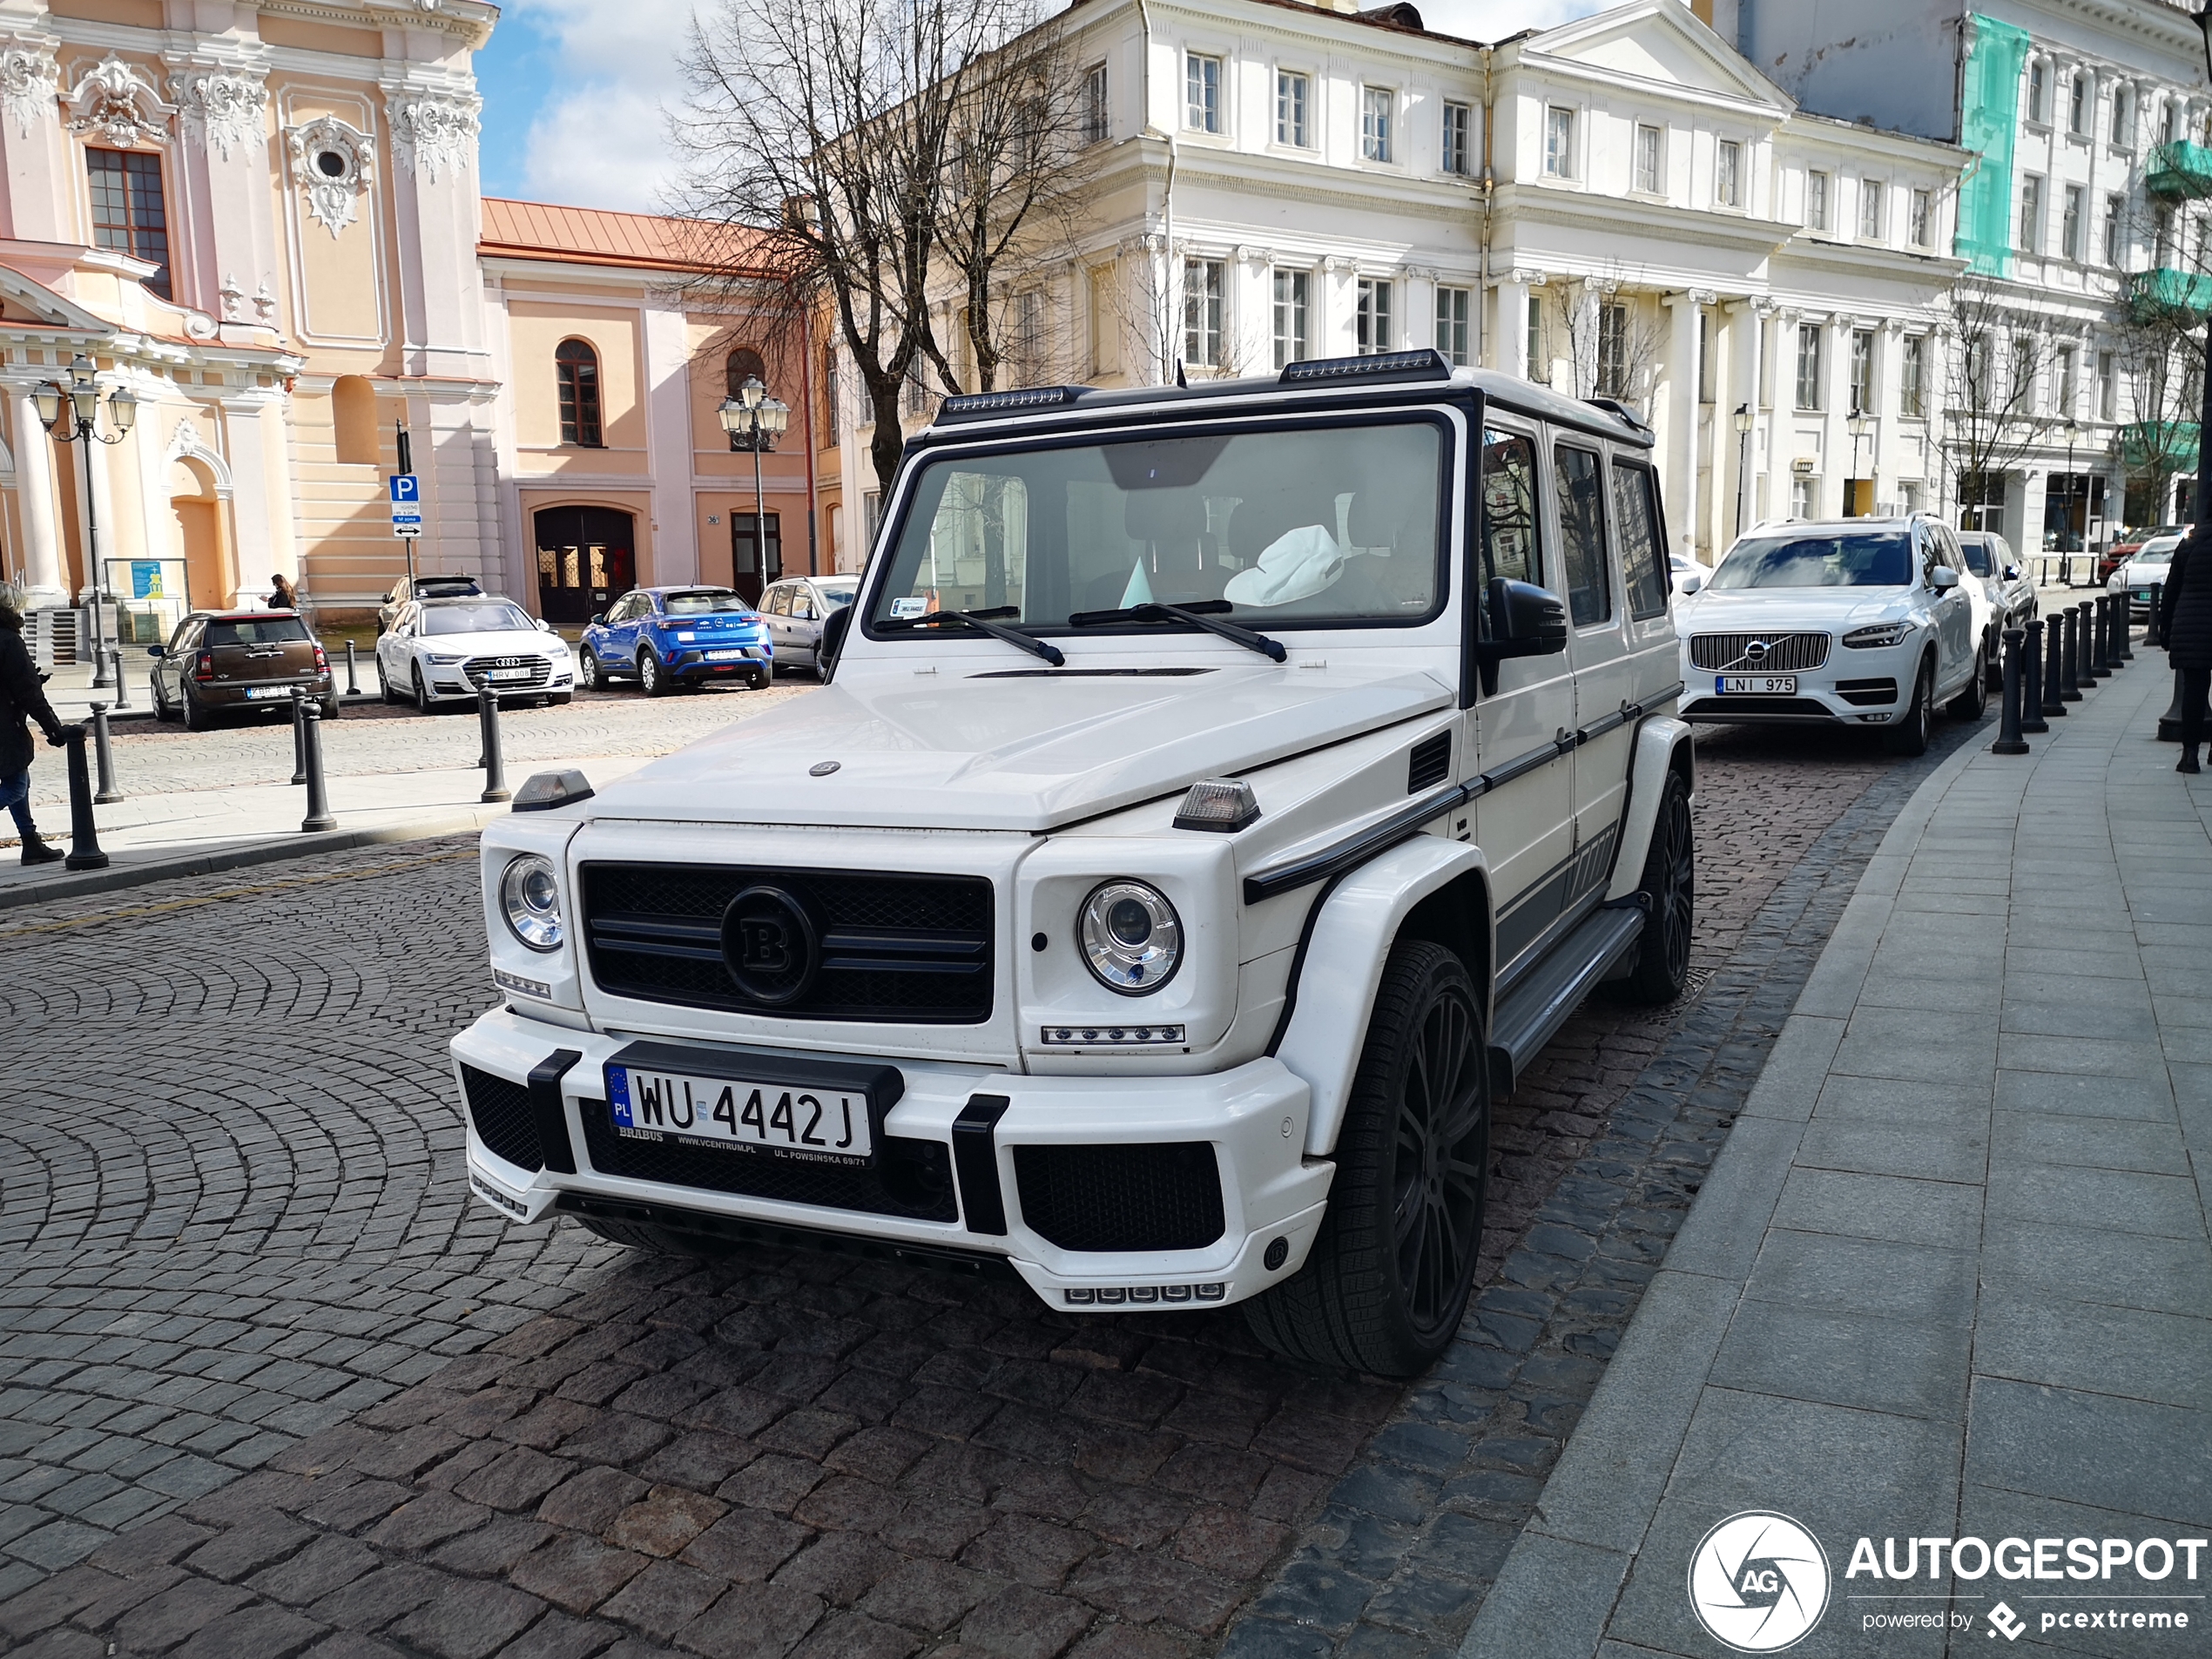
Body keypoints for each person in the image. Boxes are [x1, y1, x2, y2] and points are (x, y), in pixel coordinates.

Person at [0, 599, 70, 865]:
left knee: (19, 782)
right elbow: (29, 693)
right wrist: (54, 728)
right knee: (16, 786)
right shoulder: (8, 640)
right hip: (5, 726)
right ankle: (30, 842)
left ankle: (30, 841)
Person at [2159, 528, 2212, 773]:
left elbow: (2171, 590)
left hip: (2191, 626)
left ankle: (2189, 754)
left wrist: (2165, 627)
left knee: (2194, 690)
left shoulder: (2189, 545)